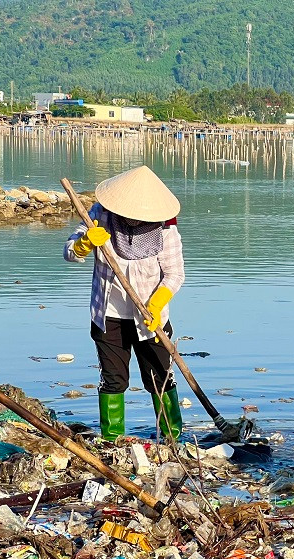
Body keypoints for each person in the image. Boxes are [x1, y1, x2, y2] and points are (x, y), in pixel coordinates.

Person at [64, 165, 185, 442]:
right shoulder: (100, 216)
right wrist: (84, 243)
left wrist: (156, 304)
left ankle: (172, 438)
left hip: (149, 318)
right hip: (108, 315)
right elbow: (68, 252)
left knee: (160, 378)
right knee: (113, 379)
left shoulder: (165, 227)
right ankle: (113, 439)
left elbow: (175, 274)